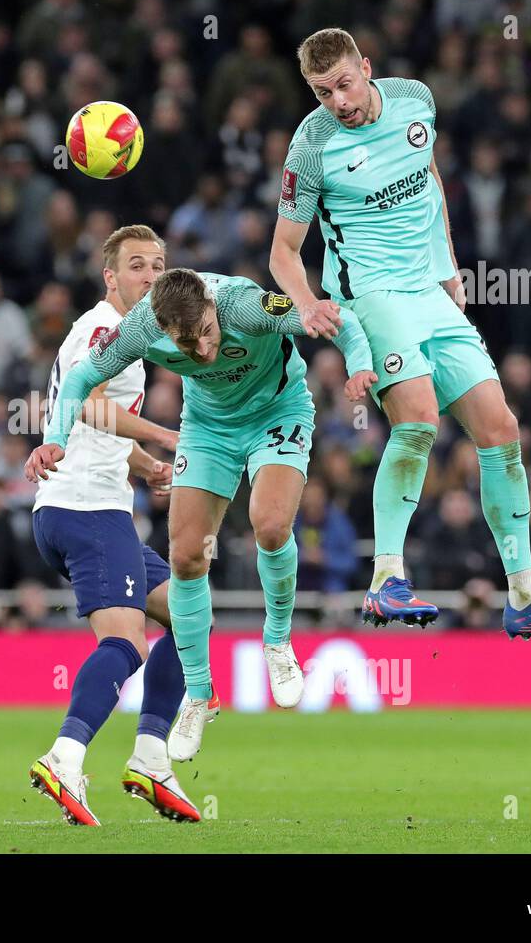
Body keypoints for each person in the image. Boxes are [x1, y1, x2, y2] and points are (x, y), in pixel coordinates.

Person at [268, 27, 531, 646]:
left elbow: (429, 179)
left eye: (344, 84)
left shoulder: (416, 100)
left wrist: (448, 264)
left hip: (428, 290)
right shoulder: (311, 147)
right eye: (322, 92)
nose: (338, 101)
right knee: (418, 417)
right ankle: (386, 578)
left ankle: (525, 596)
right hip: (371, 291)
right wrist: (310, 301)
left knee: (501, 430)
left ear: (366, 67)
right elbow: (283, 253)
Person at [27, 265, 371, 761]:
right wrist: (55, 439)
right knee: (187, 556)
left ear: (213, 310)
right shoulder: (141, 325)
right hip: (208, 428)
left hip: (276, 412)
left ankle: (277, 642)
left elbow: (335, 318)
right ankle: (199, 692)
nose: (204, 352)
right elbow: (81, 379)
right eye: (187, 346)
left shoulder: (250, 307)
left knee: (271, 526)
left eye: (208, 335)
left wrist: (358, 363)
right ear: (162, 329)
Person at [26, 225, 196, 826]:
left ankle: (151, 755)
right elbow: (90, 404)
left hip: (89, 506)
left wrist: (144, 464)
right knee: (125, 643)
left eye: (157, 265)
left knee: (188, 616)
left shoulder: (128, 334)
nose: (150, 276)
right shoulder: (101, 329)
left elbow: (94, 428)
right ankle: (65, 757)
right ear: (111, 276)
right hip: (87, 510)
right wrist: (163, 434)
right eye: (136, 266)